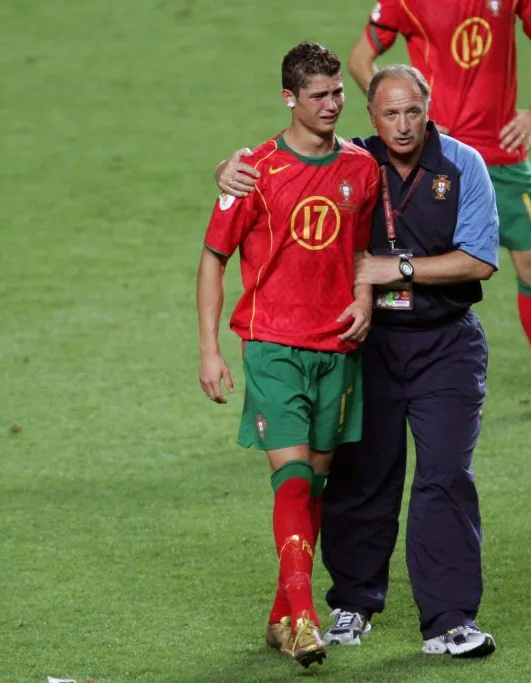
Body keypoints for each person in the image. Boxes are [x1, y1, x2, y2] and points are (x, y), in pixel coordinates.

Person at [217, 63, 500, 657]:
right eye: (389, 113)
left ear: (429, 109)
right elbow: (282, 164)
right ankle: (352, 603)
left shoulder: (464, 166)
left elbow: (478, 260)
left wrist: (391, 269)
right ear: (370, 117)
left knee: (445, 476)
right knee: (362, 478)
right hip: (366, 344)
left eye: (413, 112)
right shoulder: (355, 162)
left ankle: (449, 619)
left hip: (446, 344)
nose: (402, 125)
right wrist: (229, 172)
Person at [196, 41, 379, 668]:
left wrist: (365, 299)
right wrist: (209, 350)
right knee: (293, 477)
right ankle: (304, 620)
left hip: (338, 349)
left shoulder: (361, 167)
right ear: (289, 98)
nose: (332, 104)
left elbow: (359, 252)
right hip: (273, 347)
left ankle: (280, 615)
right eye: (319, 95)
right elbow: (212, 259)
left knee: (316, 485)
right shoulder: (252, 172)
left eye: (337, 93)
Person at [347, 0, 531, 416]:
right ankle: (384, 386)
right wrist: (410, 120)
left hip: (501, 154)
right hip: (440, 159)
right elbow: (359, 60)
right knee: (405, 266)